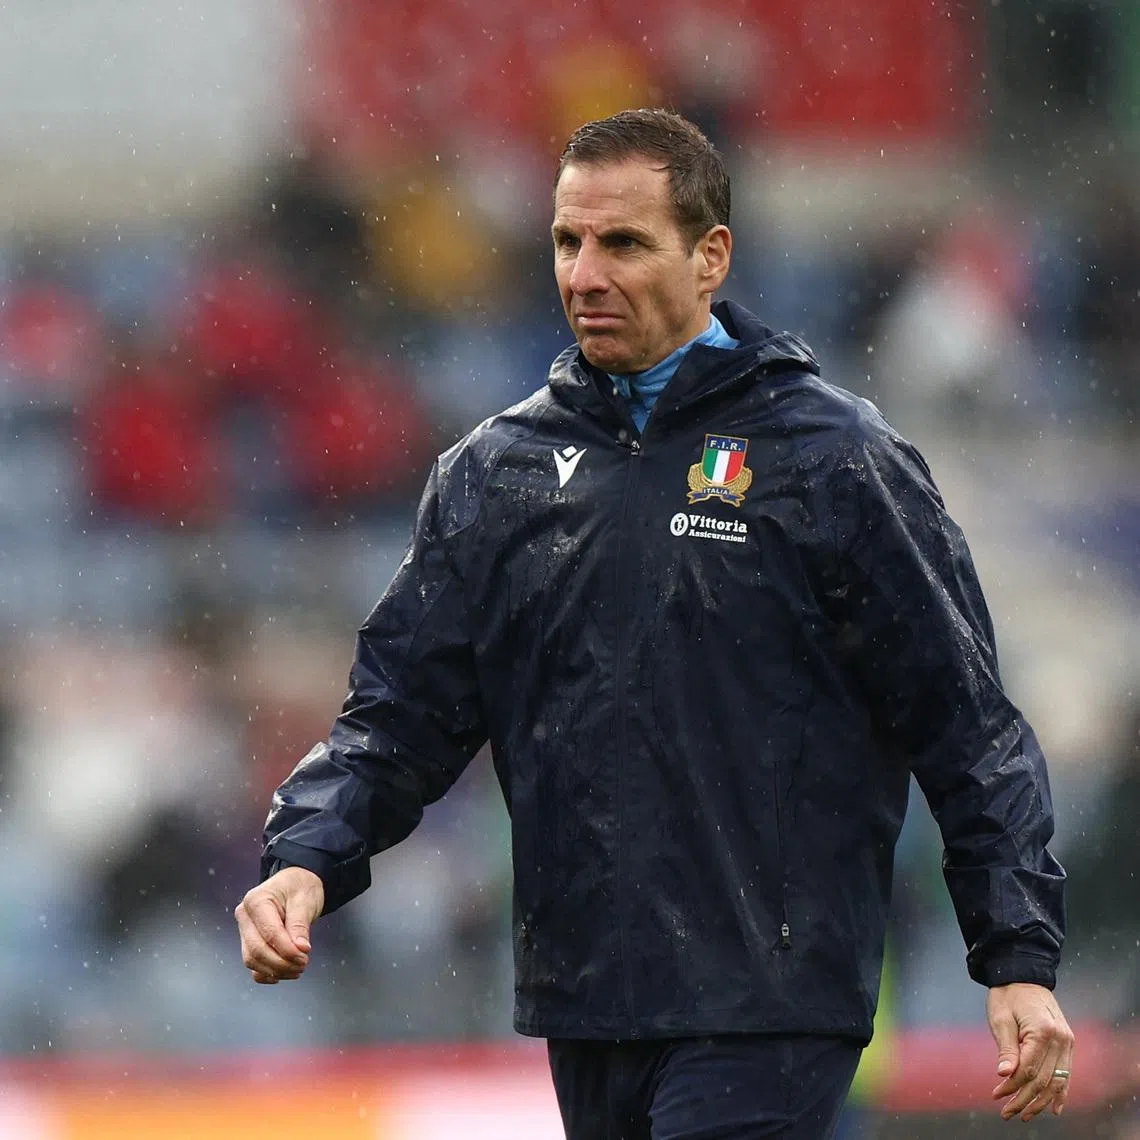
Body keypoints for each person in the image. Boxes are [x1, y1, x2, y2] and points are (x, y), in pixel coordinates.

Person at [235, 108, 1074, 1138]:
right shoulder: (496, 477)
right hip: (591, 1001)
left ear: (709, 255)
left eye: (623, 243)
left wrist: (1019, 959)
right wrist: (304, 860)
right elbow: (399, 715)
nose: (585, 273)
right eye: (567, 241)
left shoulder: (832, 463)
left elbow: (967, 727)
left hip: (772, 1004)